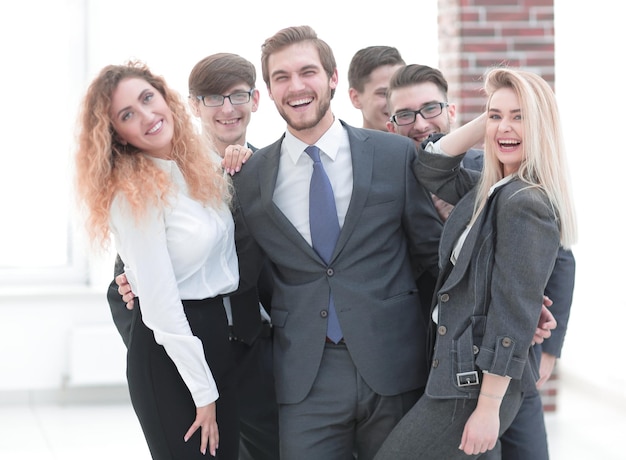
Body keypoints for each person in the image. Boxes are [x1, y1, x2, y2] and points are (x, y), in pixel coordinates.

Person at [232, 25, 444, 459]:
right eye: (281, 77)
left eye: (307, 72)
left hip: (395, 367)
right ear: (269, 92)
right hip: (304, 377)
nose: (296, 87)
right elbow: (240, 274)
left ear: (331, 79)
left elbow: (434, 257)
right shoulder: (251, 179)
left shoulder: (392, 155)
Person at [374, 66, 577, 459]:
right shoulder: (492, 190)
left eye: (520, 117)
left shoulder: (525, 203)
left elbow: (512, 311)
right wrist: (491, 119)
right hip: (456, 373)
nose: (505, 128)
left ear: (541, 125)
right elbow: (431, 166)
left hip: (475, 385)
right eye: (496, 115)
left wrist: (488, 409)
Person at [108, 53, 279, 460]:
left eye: (237, 95)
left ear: (255, 100)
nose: (227, 108)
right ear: (193, 103)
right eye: (212, 98)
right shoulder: (140, 186)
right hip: (176, 346)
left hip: (246, 345)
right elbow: (137, 285)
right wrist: (150, 330)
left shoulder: (253, 169)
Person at [75, 60, 240, 459]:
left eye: (148, 98)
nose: (147, 116)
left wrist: (240, 155)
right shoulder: (134, 193)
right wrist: (203, 393)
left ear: (165, 97)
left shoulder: (193, 167)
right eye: (127, 115)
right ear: (116, 134)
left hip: (216, 337)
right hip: (170, 355)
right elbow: (163, 307)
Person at [347, 45, 405, 131]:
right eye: (384, 94)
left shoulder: (427, 142)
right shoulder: (344, 144)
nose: (395, 102)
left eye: (401, 92)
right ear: (355, 98)